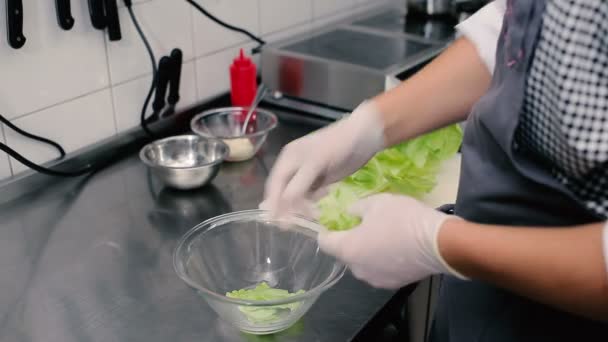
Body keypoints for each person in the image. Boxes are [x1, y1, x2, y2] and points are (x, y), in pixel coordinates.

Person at [262, 0, 608, 340]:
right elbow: (518, 33)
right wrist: (367, 126)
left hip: (569, 301)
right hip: (478, 280)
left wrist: (436, 242)